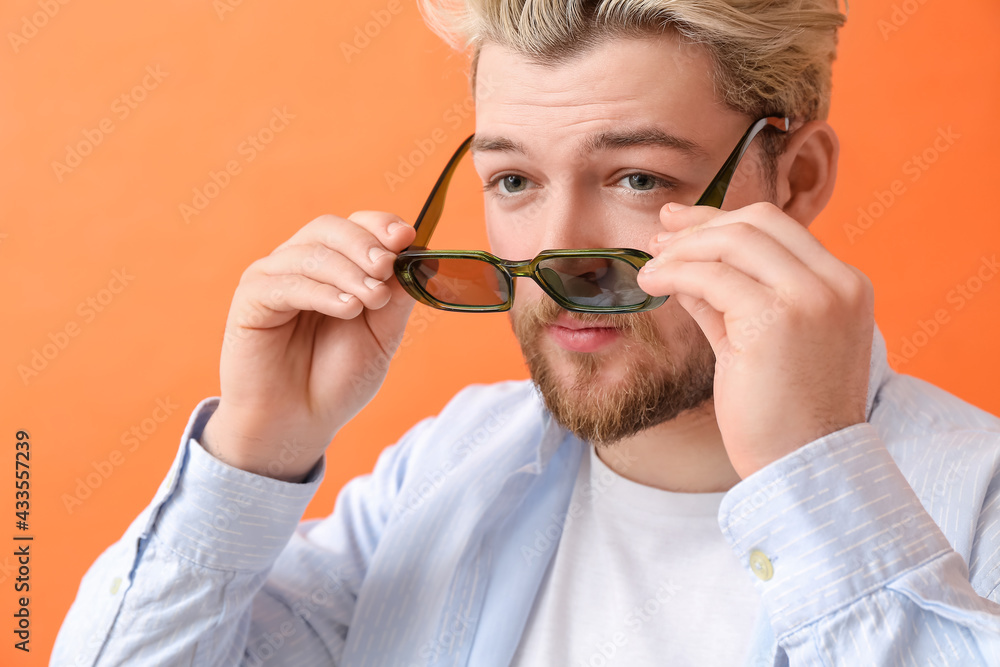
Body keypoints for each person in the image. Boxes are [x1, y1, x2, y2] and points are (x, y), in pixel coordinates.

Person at [53, 1, 1000, 665]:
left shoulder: (979, 504)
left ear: (793, 181)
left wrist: (818, 482)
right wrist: (256, 448)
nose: (557, 258)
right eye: (514, 182)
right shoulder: (444, 473)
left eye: (636, 176)